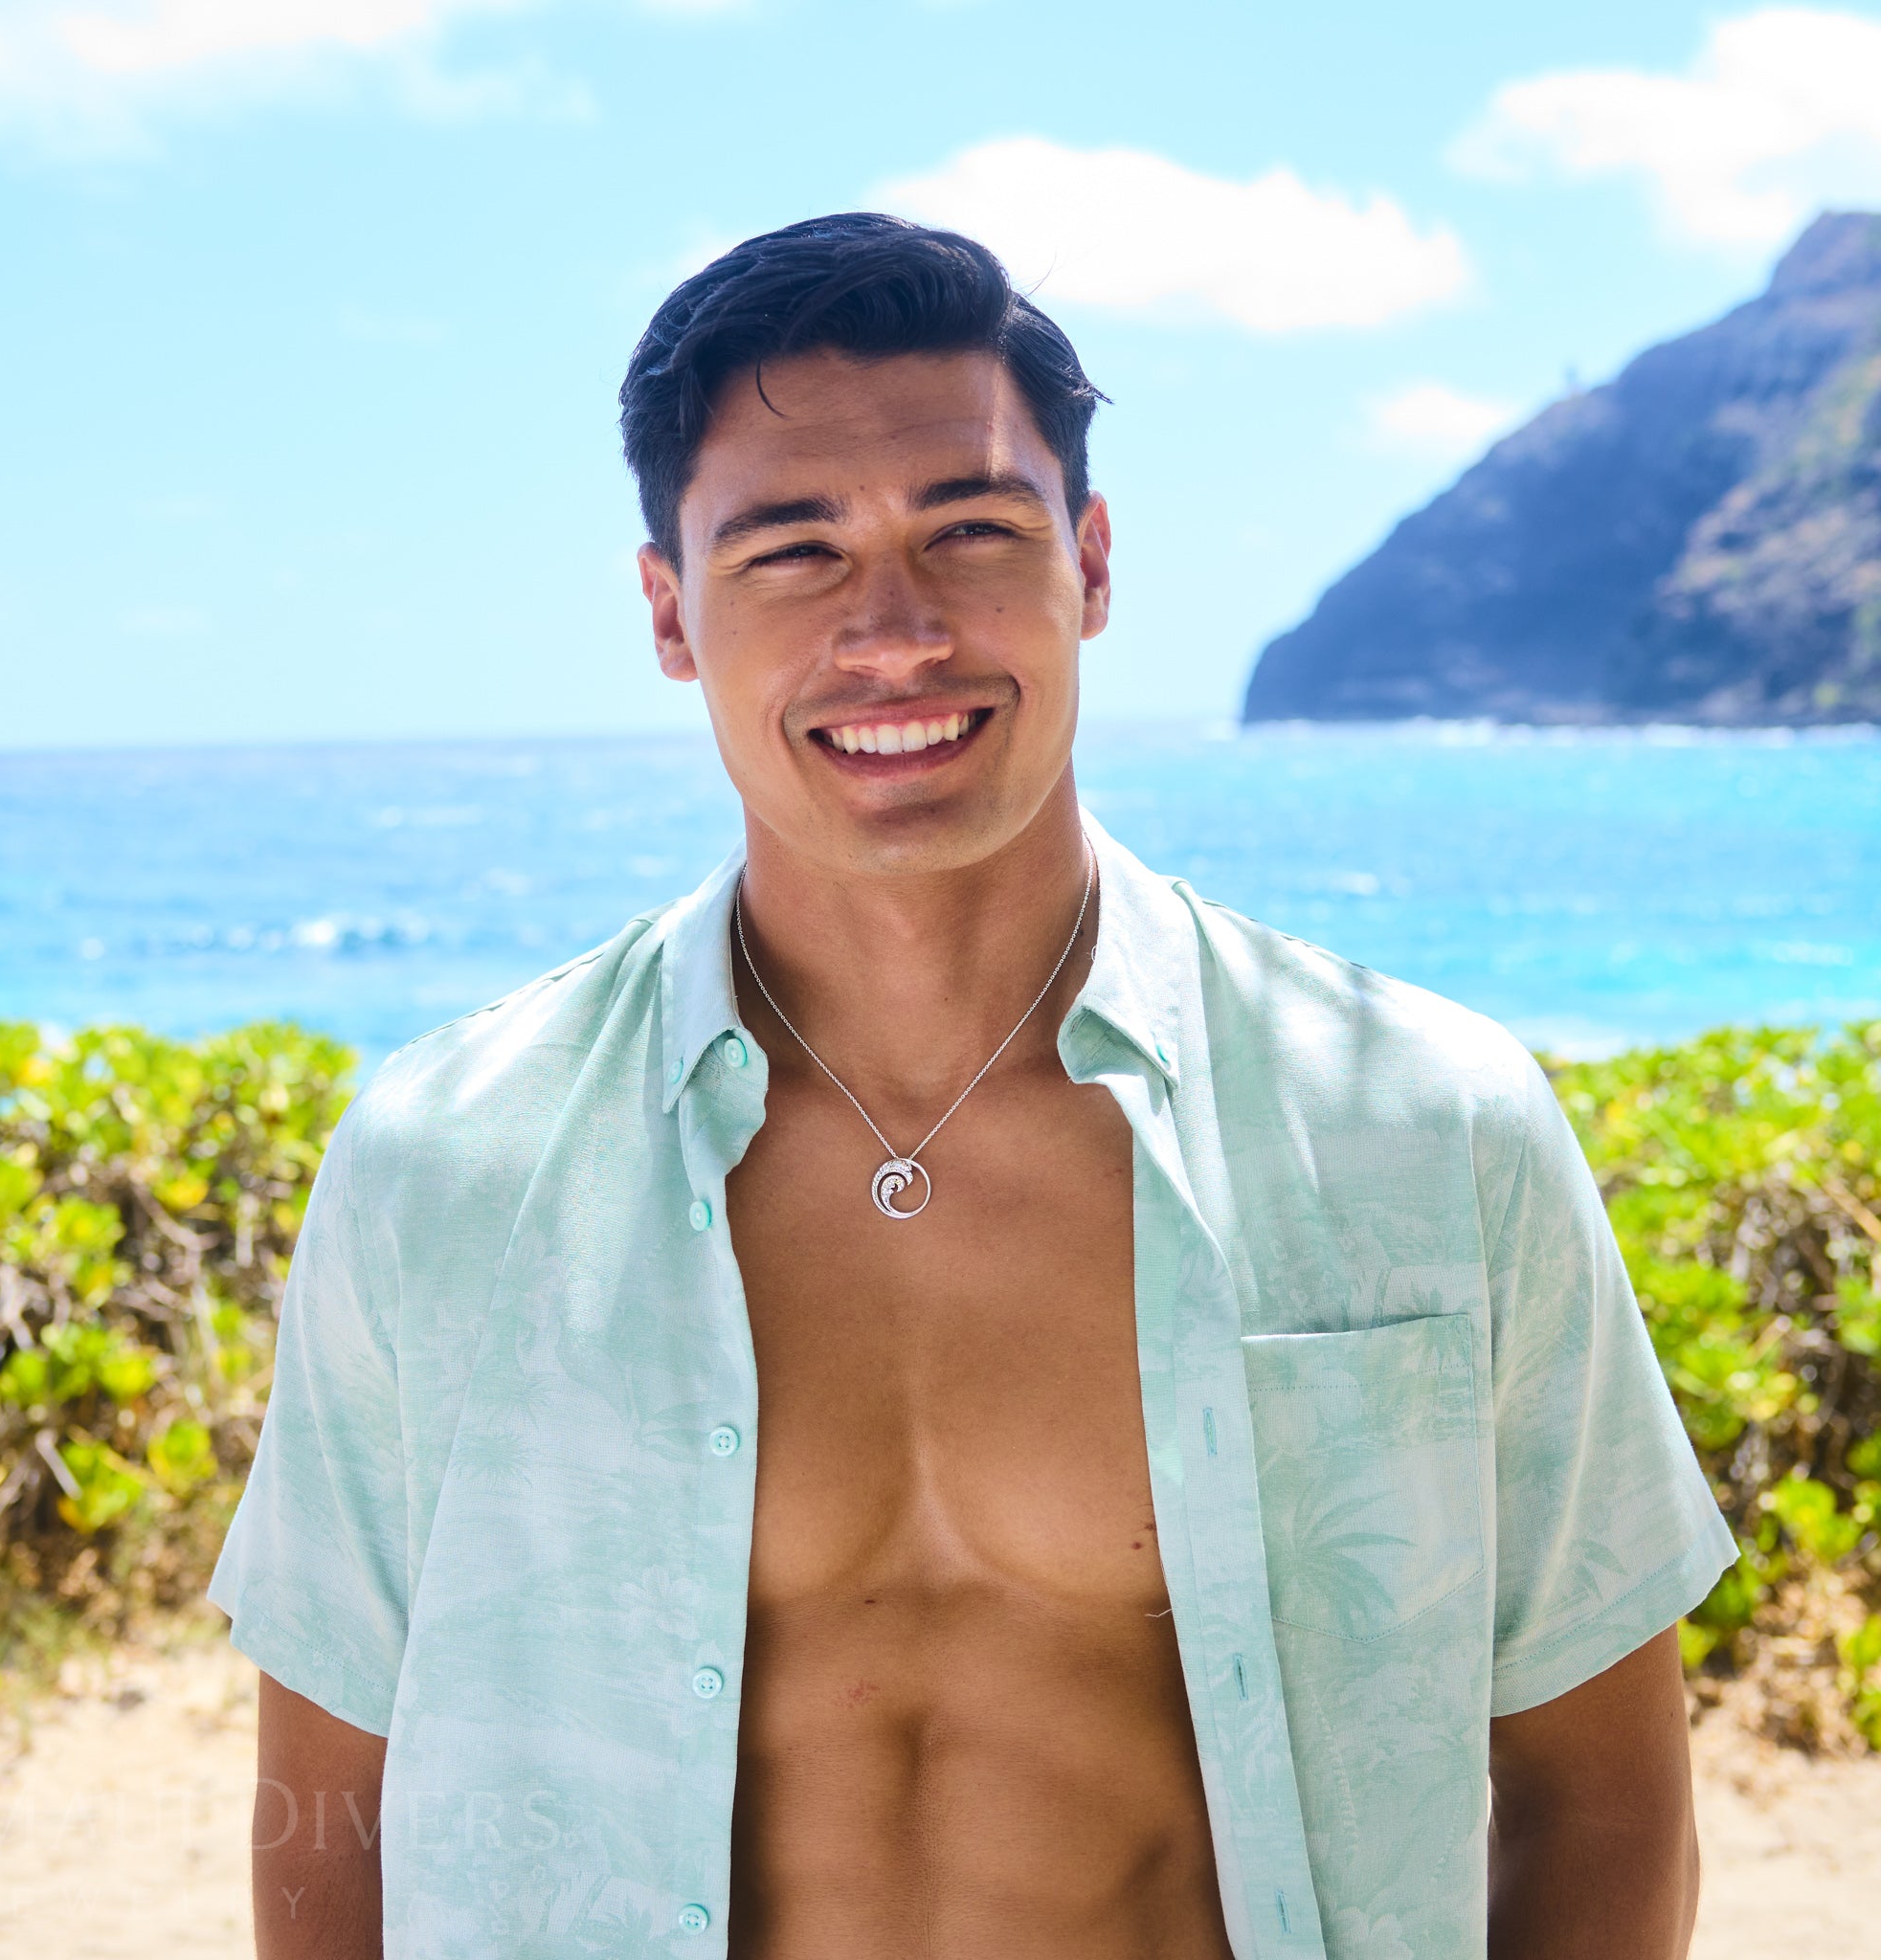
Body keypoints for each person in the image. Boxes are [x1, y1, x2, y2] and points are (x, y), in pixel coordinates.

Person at [212, 213, 1736, 1960]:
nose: (895, 631)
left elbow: (1603, 1801)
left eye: (973, 529)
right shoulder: (448, 1166)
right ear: (669, 614)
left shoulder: (1422, 1126)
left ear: (1090, 562)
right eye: (791, 551)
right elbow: (328, 1811)